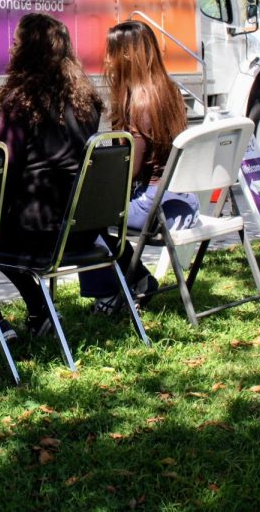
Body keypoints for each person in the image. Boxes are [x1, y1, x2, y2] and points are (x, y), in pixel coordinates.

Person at [0, 14, 103, 350]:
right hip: (83, 230)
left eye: (15, 42)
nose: (10, 47)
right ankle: (40, 312)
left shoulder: (20, 102)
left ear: (28, 50)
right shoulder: (85, 99)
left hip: (43, 233)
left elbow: (7, 174)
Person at [78, 19, 198, 312]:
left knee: (81, 218)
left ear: (127, 55)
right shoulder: (168, 89)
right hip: (182, 201)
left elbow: (128, 171)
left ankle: (108, 293)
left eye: (112, 52)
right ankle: (140, 279)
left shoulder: (139, 104)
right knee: (94, 214)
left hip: (153, 207)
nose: (107, 59)